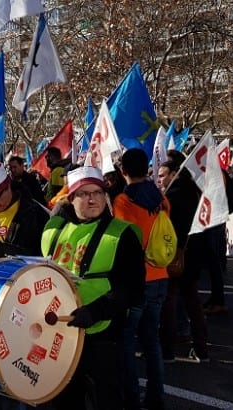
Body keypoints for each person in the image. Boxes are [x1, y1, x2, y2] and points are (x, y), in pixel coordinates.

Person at [41, 166, 145, 409]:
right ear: (70, 198)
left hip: (104, 334)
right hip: (61, 332)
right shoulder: (53, 228)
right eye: (84, 193)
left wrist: (95, 311)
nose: (92, 199)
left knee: (108, 398)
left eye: (98, 192)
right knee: (64, 398)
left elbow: (133, 288)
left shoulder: (123, 234)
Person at [113, 149, 170, 410]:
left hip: (136, 280)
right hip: (160, 274)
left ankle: (132, 400)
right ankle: (156, 398)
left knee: (126, 341)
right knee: (151, 340)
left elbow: (124, 239)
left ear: (123, 171)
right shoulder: (160, 197)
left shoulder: (124, 201)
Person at [157, 160, 210, 364]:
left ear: (174, 174)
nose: (160, 180)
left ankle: (167, 350)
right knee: (193, 303)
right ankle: (201, 349)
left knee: (169, 303)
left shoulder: (171, 197)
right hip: (194, 255)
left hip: (176, 255)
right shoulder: (197, 191)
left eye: (162, 175)